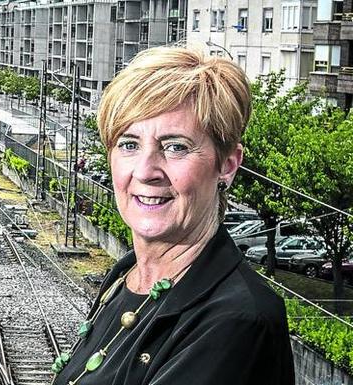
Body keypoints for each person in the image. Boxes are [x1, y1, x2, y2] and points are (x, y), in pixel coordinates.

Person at [51, 46, 295, 385]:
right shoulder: (128, 274)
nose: (146, 171)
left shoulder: (237, 321)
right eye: (129, 144)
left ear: (227, 164)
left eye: (175, 146)